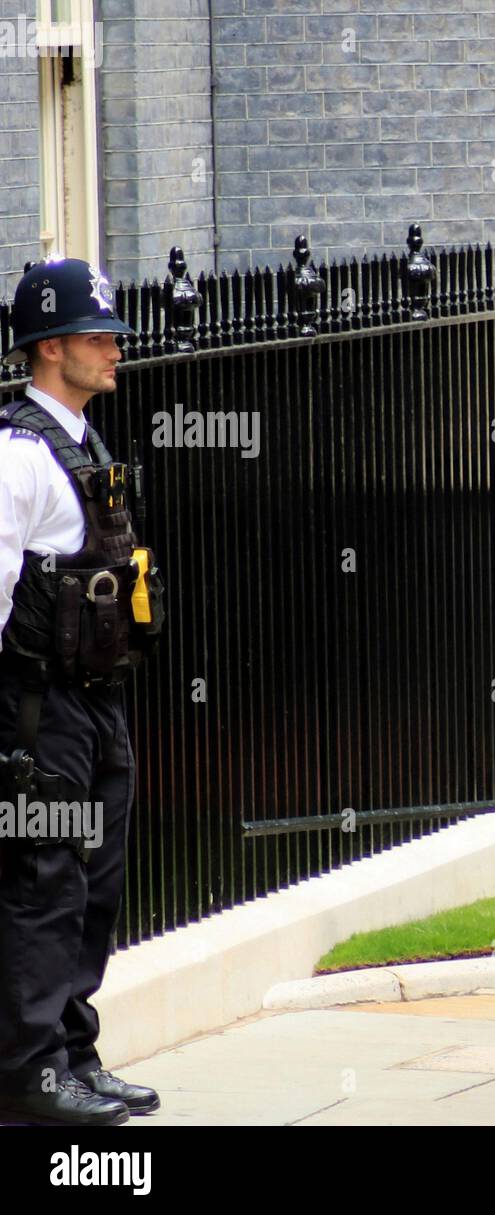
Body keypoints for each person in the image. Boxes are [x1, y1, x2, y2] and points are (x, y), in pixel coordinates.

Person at [0, 257, 164, 1125]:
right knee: (43, 887)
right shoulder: (18, 453)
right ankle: (30, 1072)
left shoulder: (84, 439)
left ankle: (74, 1056)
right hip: (40, 712)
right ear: (50, 345)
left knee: (95, 886)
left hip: (98, 707)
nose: (115, 349)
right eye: (100, 336)